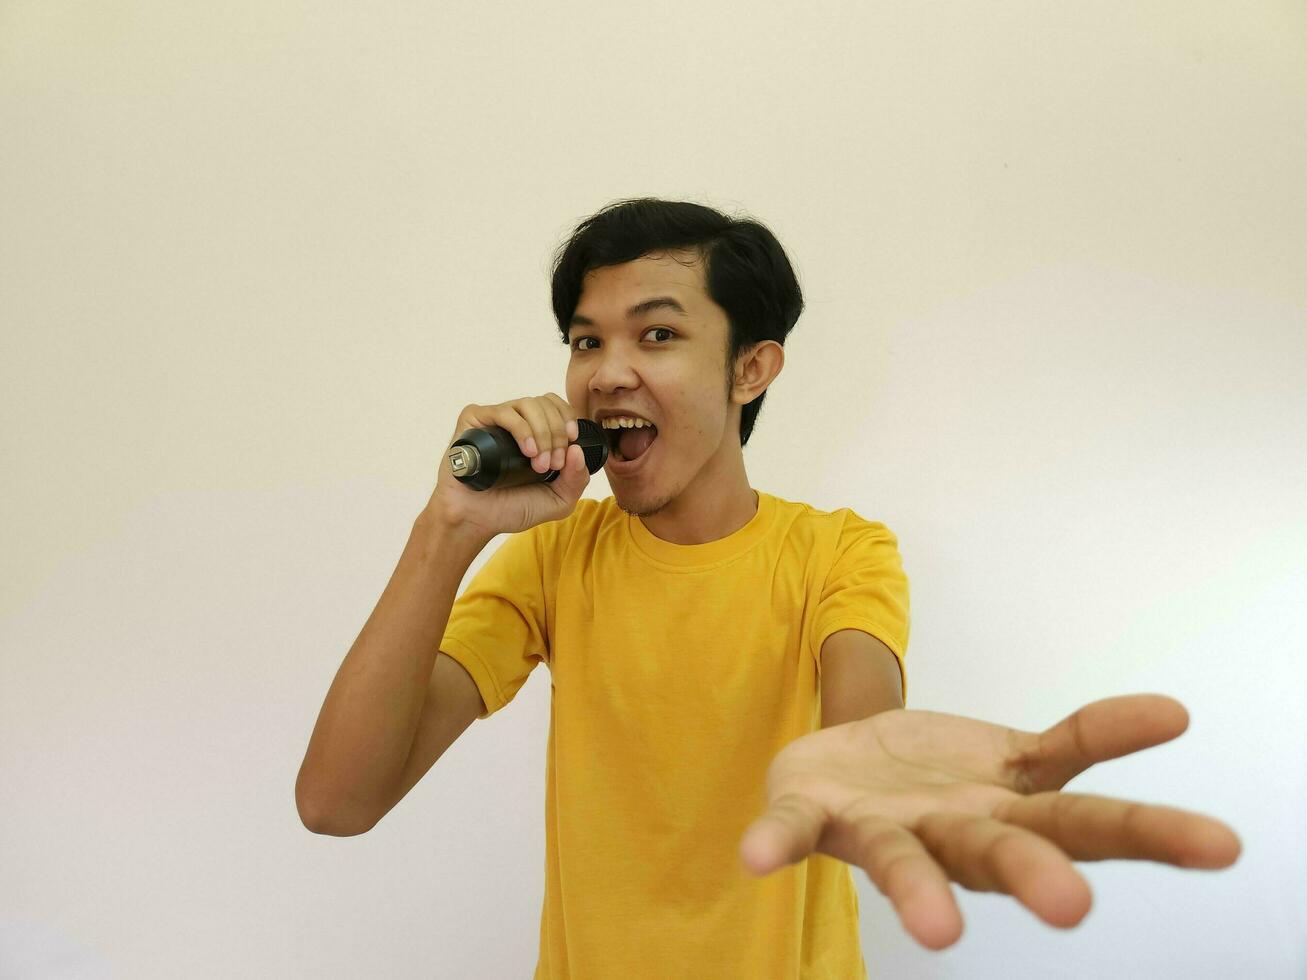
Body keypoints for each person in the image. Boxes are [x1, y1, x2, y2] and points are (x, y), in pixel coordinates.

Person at [297, 198, 1241, 978]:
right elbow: (337, 802)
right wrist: (447, 530)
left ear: (751, 368)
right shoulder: (554, 557)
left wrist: (864, 764)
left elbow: (859, 700)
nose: (606, 372)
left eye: (656, 334)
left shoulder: (837, 552)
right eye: (585, 343)